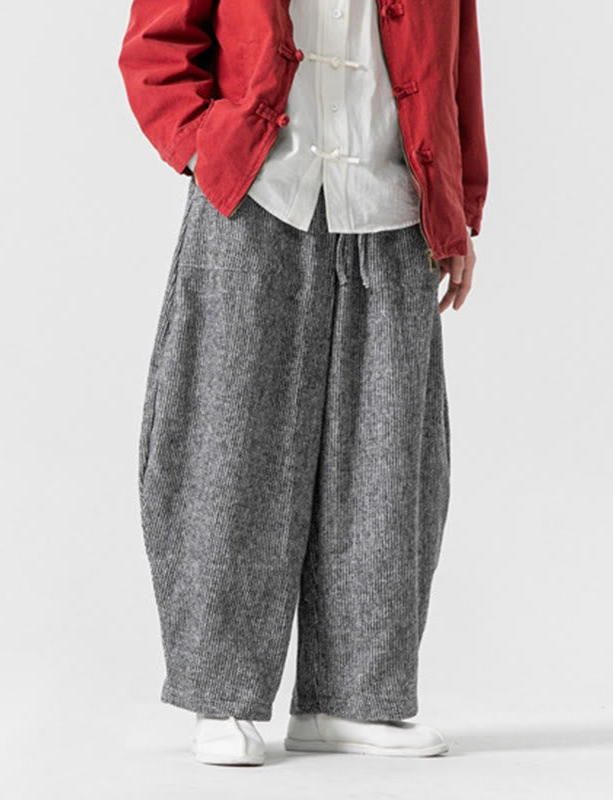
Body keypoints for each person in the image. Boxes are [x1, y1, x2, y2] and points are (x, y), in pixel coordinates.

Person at [117, 0, 488, 766]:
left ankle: (352, 698)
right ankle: (220, 693)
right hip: (255, 195)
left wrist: (458, 206)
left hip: (394, 205)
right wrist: (206, 146)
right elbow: (156, 45)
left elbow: (458, 67)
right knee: (227, 449)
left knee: (387, 463)